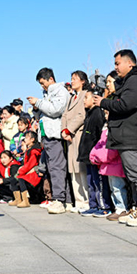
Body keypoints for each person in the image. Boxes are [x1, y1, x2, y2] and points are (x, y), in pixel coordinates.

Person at [88, 50, 137, 227]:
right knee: (132, 175)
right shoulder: (128, 81)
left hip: (134, 135)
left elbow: (126, 104)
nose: (115, 67)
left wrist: (103, 102)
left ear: (130, 63)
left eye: (118, 64)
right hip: (126, 135)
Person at [27, 68, 69, 214]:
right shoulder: (47, 94)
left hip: (55, 135)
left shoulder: (60, 91)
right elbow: (44, 113)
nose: (42, 86)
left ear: (51, 79)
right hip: (46, 135)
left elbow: (55, 110)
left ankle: (60, 199)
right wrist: (36, 108)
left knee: (57, 167)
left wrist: (38, 102)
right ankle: (59, 198)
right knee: (51, 168)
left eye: (43, 83)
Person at [79, 88, 111, 217]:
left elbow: (99, 136)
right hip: (88, 155)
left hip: (96, 155)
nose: (84, 101)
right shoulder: (89, 113)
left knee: (99, 182)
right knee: (91, 181)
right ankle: (93, 205)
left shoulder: (98, 113)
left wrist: (97, 153)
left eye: (86, 98)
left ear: (94, 98)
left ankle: (104, 206)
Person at [61, 71, 89, 212]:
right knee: (73, 169)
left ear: (83, 81)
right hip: (69, 137)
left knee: (81, 168)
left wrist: (69, 130)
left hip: (78, 134)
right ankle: (79, 202)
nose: (72, 81)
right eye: (71, 79)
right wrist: (63, 130)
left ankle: (86, 201)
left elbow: (81, 114)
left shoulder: (85, 95)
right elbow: (65, 115)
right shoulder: (71, 98)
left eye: (75, 79)